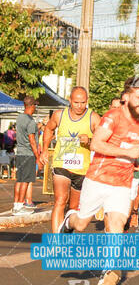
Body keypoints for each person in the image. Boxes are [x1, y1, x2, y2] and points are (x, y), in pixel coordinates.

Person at [57, 76, 139, 285]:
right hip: (98, 179)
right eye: (138, 96)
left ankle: (110, 272)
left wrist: (133, 160)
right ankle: (68, 221)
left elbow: (134, 148)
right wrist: (126, 153)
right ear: (127, 97)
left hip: (122, 183)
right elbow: (97, 144)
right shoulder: (113, 116)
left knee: (117, 224)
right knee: (81, 224)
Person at [41, 87, 101, 231]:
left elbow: (102, 141)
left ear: (87, 101)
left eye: (83, 102)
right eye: (76, 102)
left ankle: (65, 236)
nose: (79, 106)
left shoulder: (93, 118)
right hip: (62, 164)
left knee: (73, 208)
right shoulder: (59, 115)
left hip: (82, 168)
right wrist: (44, 149)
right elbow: (48, 129)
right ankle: (56, 242)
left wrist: (90, 140)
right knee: (60, 200)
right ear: (70, 100)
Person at [13, 97, 40, 215]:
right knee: (25, 181)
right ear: (32, 106)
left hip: (19, 152)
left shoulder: (19, 118)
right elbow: (32, 140)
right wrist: (37, 156)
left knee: (19, 180)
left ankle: (16, 205)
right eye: (35, 105)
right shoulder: (31, 121)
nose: (35, 108)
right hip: (28, 153)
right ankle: (20, 206)